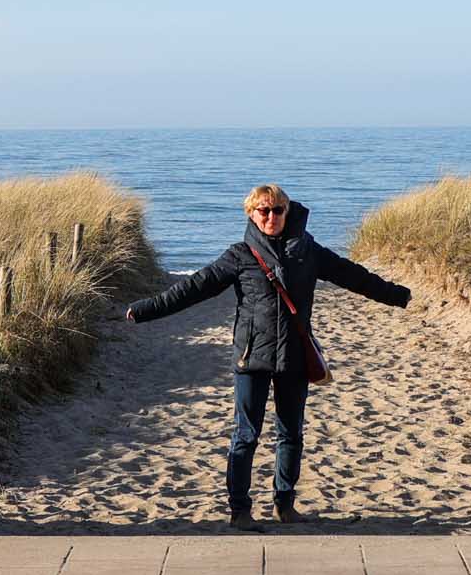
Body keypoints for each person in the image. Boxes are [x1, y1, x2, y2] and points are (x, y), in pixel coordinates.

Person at [124, 183, 412, 529]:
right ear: (251, 214)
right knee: (246, 434)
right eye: (264, 210)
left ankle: (284, 504)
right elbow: (192, 289)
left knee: (291, 433)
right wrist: (144, 310)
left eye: (278, 210)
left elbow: (353, 276)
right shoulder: (240, 255)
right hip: (251, 358)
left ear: (287, 213)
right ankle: (240, 510)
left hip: (293, 357)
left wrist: (398, 296)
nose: (271, 217)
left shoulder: (308, 252)